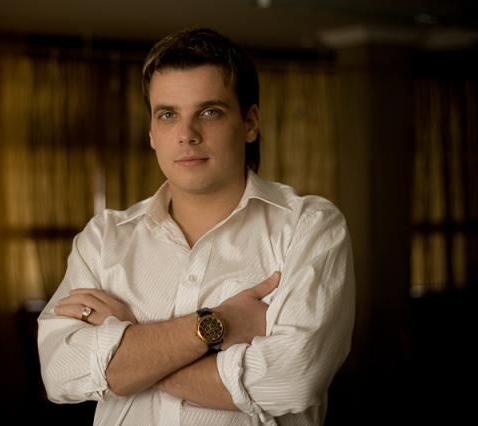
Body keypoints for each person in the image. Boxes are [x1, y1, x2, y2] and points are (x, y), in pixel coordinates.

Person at [38, 27, 355, 425]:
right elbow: (60, 373)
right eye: (168, 114)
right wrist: (218, 325)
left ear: (250, 122)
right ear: (152, 132)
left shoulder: (309, 228)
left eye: (209, 112)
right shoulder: (104, 239)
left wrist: (131, 344)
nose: (186, 135)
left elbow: (291, 381)